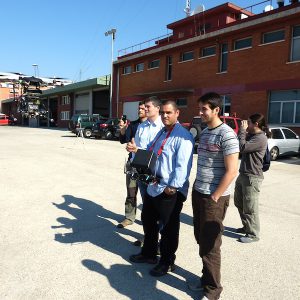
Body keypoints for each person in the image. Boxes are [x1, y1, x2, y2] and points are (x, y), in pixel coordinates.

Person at [129, 100, 194, 277]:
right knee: (149, 222)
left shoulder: (183, 136)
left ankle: (167, 261)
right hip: (154, 185)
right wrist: (137, 150)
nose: (165, 116)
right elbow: (151, 153)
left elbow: (183, 167)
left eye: (169, 113)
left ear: (177, 113)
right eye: (163, 113)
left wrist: (172, 188)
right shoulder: (162, 132)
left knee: (168, 229)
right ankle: (149, 254)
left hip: (169, 190)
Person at [190, 92, 239, 300]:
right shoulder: (206, 132)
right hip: (199, 191)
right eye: (199, 108)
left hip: (213, 198)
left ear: (216, 110)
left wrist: (215, 196)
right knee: (201, 238)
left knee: (210, 244)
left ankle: (212, 290)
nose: (200, 112)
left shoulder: (226, 134)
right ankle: (206, 278)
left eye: (204, 109)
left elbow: (232, 170)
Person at [126, 96, 164, 245]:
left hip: (157, 173)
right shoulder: (142, 126)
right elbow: (137, 147)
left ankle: (161, 241)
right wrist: (132, 150)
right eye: (144, 107)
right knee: (147, 208)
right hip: (142, 172)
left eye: (148, 107)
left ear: (157, 108)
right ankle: (149, 238)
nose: (144, 109)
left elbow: (159, 152)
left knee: (159, 209)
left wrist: (138, 150)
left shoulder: (164, 126)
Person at [234, 113, 269, 243]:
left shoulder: (260, 138)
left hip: (252, 177)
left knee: (250, 207)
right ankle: (246, 226)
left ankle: (253, 234)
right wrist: (243, 132)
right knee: (239, 202)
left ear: (256, 124)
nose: (246, 125)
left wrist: (242, 131)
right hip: (243, 174)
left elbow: (242, 147)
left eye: (248, 123)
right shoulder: (252, 136)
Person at [117, 102, 147, 228]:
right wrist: (123, 128)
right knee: (131, 191)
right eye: (138, 108)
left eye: (142, 108)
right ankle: (129, 217)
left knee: (148, 195)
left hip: (146, 164)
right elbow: (123, 140)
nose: (139, 110)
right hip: (132, 163)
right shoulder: (134, 124)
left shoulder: (153, 126)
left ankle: (149, 220)